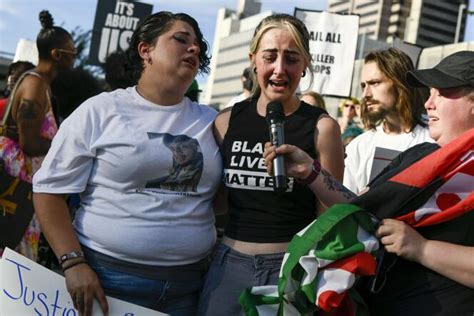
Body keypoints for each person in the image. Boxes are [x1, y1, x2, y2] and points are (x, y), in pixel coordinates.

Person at [33, 11, 222, 316]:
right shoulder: (100, 111)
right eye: (181, 39)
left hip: (191, 287)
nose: (194, 49)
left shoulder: (213, 121)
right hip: (105, 282)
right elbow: (48, 191)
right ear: (145, 49)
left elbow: (221, 198)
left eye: (198, 44)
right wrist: (74, 263)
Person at [263, 50, 474, 316]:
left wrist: (423, 249)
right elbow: (360, 210)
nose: (428, 104)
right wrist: (309, 171)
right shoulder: (418, 155)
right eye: (429, 93)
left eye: (441, 93)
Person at [198, 14, 344, 315]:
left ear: (304, 65)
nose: (280, 69)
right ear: (254, 60)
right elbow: (217, 200)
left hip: (288, 268)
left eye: (291, 58)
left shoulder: (322, 128)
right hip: (227, 266)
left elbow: (329, 215)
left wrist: (309, 174)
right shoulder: (226, 121)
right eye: (270, 57)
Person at [0, 11, 75, 261]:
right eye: (71, 53)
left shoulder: (40, 84)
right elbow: (29, 142)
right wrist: (63, 144)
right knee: (11, 253)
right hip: (15, 190)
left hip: (21, 187)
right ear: (56, 54)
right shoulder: (34, 85)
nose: (74, 59)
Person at [344, 48, 434, 194]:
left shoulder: (432, 141)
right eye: (363, 85)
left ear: (399, 83)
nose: (366, 94)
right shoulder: (359, 146)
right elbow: (346, 203)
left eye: (375, 83)